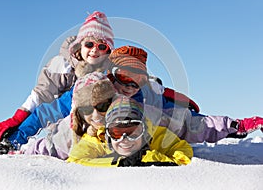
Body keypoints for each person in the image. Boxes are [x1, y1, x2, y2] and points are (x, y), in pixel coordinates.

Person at [0, 11, 114, 142]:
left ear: (108, 51)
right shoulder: (61, 65)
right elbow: (43, 95)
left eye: (101, 46)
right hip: (65, 121)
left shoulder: (109, 74)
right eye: (89, 44)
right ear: (80, 45)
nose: (94, 50)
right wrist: (18, 119)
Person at [105, 46, 263, 142]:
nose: (131, 86)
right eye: (125, 76)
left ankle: (234, 126)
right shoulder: (100, 95)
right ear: (111, 75)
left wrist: (236, 126)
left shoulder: (151, 102)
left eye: (139, 79)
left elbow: (194, 124)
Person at [67, 95, 193, 167]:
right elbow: (75, 161)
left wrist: (150, 159)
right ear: (107, 134)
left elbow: (183, 154)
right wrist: (119, 163)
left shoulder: (156, 134)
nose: (125, 139)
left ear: (144, 131)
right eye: (116, 133)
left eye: (133, 132)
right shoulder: (98, 139)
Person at [24, 72, 116, 159]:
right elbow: (44, 148)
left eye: (102, 106)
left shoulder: (122, 121)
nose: (96, 115)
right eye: (87, 109)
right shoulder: (69, 132)